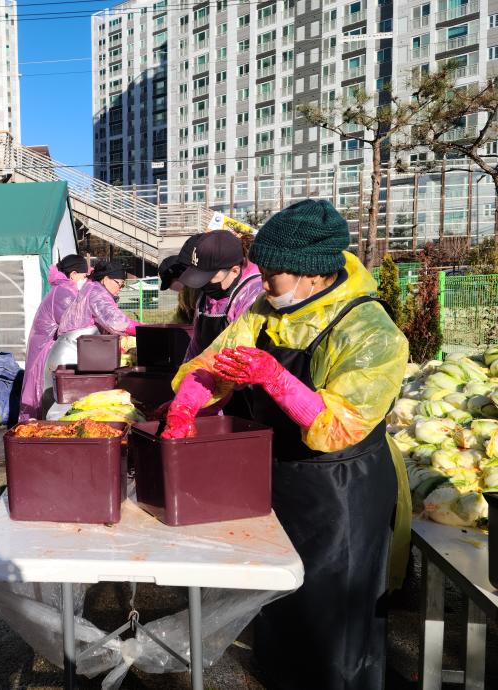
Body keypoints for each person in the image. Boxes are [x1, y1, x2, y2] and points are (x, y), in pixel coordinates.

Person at [163, 200, 411, 690]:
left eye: (273, 275)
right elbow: (216, 362)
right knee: (278, 601)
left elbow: (338, 428)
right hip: (281, 476)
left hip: (342, 491)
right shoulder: (264, 310)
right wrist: (185, 405)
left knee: (330, 618)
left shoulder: (371, 333)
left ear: (312, 276)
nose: (264, 284)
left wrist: (276, 379)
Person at [44, 261, 139, 408]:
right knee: (69, 408)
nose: (121, 288)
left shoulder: (94, 289)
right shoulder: (97, 292)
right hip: (70, 355)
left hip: (77, 353)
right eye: (120, 283)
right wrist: (145, 330)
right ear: (105, 279)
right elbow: (117, 321)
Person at [160, 230, 264, 360]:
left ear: (234, 271)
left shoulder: (252, 296)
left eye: (209, 277)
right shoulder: (207, 296)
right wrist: (187, 373)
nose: (204, 285)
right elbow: (195, 347)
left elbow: (243, 357)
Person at [19, 254, 89, 421]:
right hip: (46, 351)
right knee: (42, 394)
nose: (86, 279)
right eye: (84, 275)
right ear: (73, 274)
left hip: (48, 347)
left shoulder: (64, 289)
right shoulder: (64, 293)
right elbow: (73, 324)